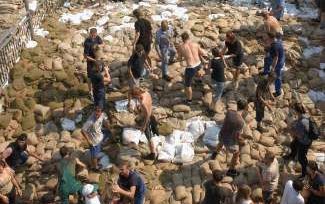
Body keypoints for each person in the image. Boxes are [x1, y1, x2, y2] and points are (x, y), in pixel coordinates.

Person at [212, 99, 247, 177]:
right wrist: (243, 142)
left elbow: (226, 112)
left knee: (220, 143)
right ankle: (231, 170)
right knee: (237, 152)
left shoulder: (229, 112)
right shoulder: (241, 122)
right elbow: (237, 136)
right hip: (230, 142)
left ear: (237, 105)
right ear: (245, 108)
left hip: (222, 135)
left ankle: (214, 154)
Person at [283, 103, 315, 179]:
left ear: (297, 111)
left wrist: (290, 130)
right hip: (308, 138)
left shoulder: (301, 122)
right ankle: (292, 155)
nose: (292, 111)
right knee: (293, 144)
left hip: (304, 142)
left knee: (301, 158)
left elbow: (299, 135)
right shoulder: (306, 115)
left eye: (294, 109)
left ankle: (305, 173)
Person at [177, 32, 207, 105]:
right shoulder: (195, 44)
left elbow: (179, 59)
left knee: (187, 85)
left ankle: (189, 100)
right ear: (188, 38)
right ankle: (199, 81)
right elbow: (203, 53)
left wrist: (182, 62)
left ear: (182, 39)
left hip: (191, 67)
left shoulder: (181, 47)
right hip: (198, 64)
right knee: (198, 71)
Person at [130, 87, 157, 160]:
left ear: (137, 94)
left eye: (134, 97)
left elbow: (147, 115)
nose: (135, 98)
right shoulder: (146, 93)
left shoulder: (143, 103)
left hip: (146, 119)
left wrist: (144, 126)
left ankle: (152, 153)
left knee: (149, 137)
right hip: (150, 114)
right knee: (137, 121)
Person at [81, 106, 110, 170]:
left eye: (98, 111)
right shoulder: (90, 121)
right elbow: (82, 130)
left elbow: (105, 120)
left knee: (110, 132)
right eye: (96, 111)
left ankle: (102, 147)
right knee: (94, 156)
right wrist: (89, 141)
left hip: (100, 136)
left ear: (101, 112)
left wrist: (107, 124)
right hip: (94, 141)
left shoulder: (103, 115)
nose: (97, 113)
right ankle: (95, 167)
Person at [262, 32, 285, 97]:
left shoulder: (274, 46)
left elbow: (276, 58)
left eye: (266, 37)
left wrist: (273, 68)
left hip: (278, 62)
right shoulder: (277, 40)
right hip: (281, 56)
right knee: (266, 59)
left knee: (277, 75)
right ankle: (266, 73)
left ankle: (278, 91)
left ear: (270, 38)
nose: (265, 38)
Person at [84, 28, 103, 99]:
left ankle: (98, 88)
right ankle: (90, 91)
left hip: (98, 60)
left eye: (95, 35)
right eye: (92, 35)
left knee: (99, 73)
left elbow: (102, 44)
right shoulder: (87, 42)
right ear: (90, 34)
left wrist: (98, 46)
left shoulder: (98, 38)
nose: (94, 37)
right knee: (89, 77)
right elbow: (85, 56)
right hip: (91, 62)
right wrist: (94, 60)